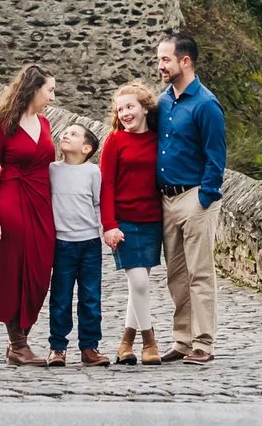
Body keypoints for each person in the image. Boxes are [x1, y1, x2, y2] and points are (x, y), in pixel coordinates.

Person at [152, 30, 228, 363]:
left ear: (185, 61)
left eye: (165, 59)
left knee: (199, 273)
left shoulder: (206, 105)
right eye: (159, 59)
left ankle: (204, 342)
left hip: (195, 197)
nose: (160, 66)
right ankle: (182, 339)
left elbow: (216, 156)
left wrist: (205, 197)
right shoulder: (164, 100)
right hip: (166, 199)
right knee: (176, 275)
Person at [0, 63, 58, 365]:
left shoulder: (46, 124)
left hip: (41, 203)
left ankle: (22, 336)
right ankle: (18, 343)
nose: (53, 97)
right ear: (34, 89)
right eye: (49, 90)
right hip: (11, 200)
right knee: (12, 271)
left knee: (40, 270)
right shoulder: (0, 124)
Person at [99, 82, 164, 364]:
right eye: (120, 109)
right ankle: (150, 341)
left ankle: (125, 343)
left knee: (139, 286)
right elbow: (106, 185)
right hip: (124, 223)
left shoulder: (159, 139)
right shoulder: (115, 141)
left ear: (145, 108)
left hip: (152, 220)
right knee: (138, 282)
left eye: (130, 107)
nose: (125, 113)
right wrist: (109, 225)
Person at [47, 122, 108, 367]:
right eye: (65, 131)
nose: (65, 134)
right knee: (60, 297)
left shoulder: (93, 172)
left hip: (89, 243)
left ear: (86, 148)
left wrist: (102, 228)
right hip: (62, 243)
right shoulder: (52, 169)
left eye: (73, 134)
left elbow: (97, 202)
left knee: (91, 297)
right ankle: (57, 347)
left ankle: (89, 347)